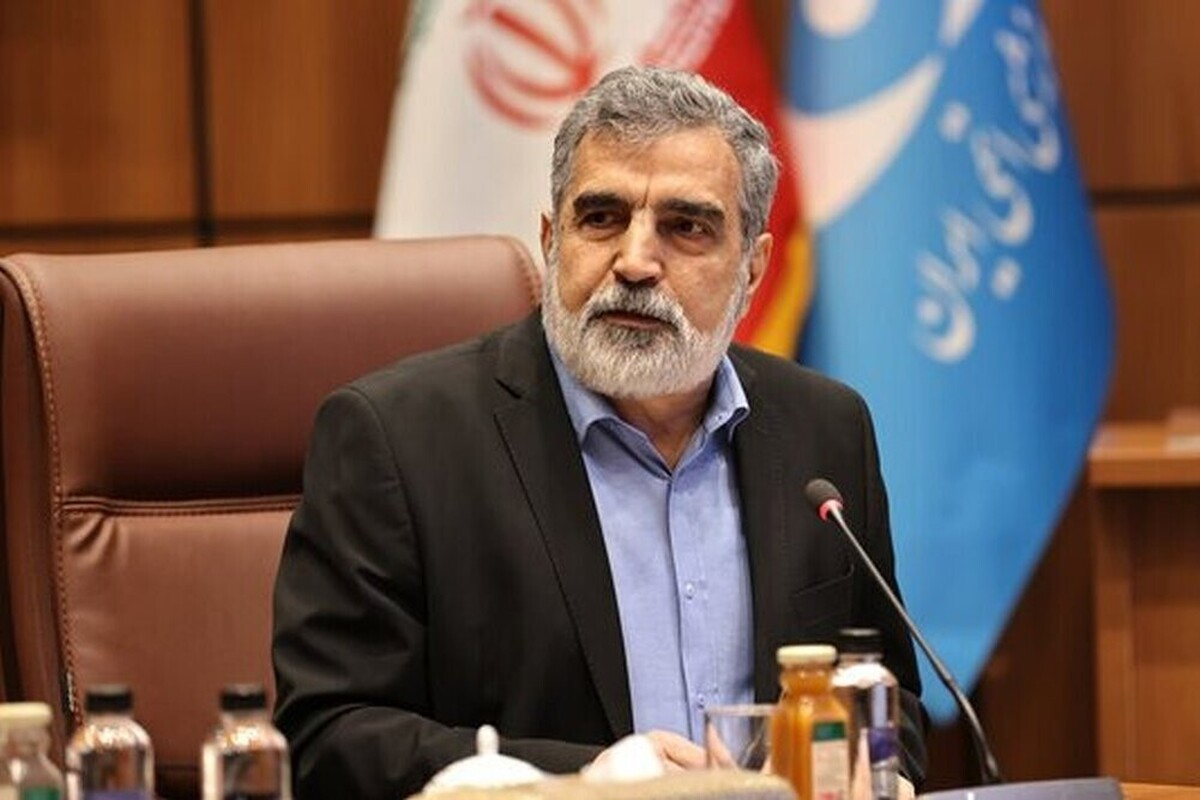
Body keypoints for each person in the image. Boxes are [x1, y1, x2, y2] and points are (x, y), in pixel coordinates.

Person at [272, 65, 927, 800]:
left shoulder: (824, 429)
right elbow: (328, 738)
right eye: (602, 218)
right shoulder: (397, 438)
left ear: (752, 269)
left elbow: (889, 701)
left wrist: (879, 772)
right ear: (551, 240)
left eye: (686, 227)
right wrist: (589, 781)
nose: (636, 263)